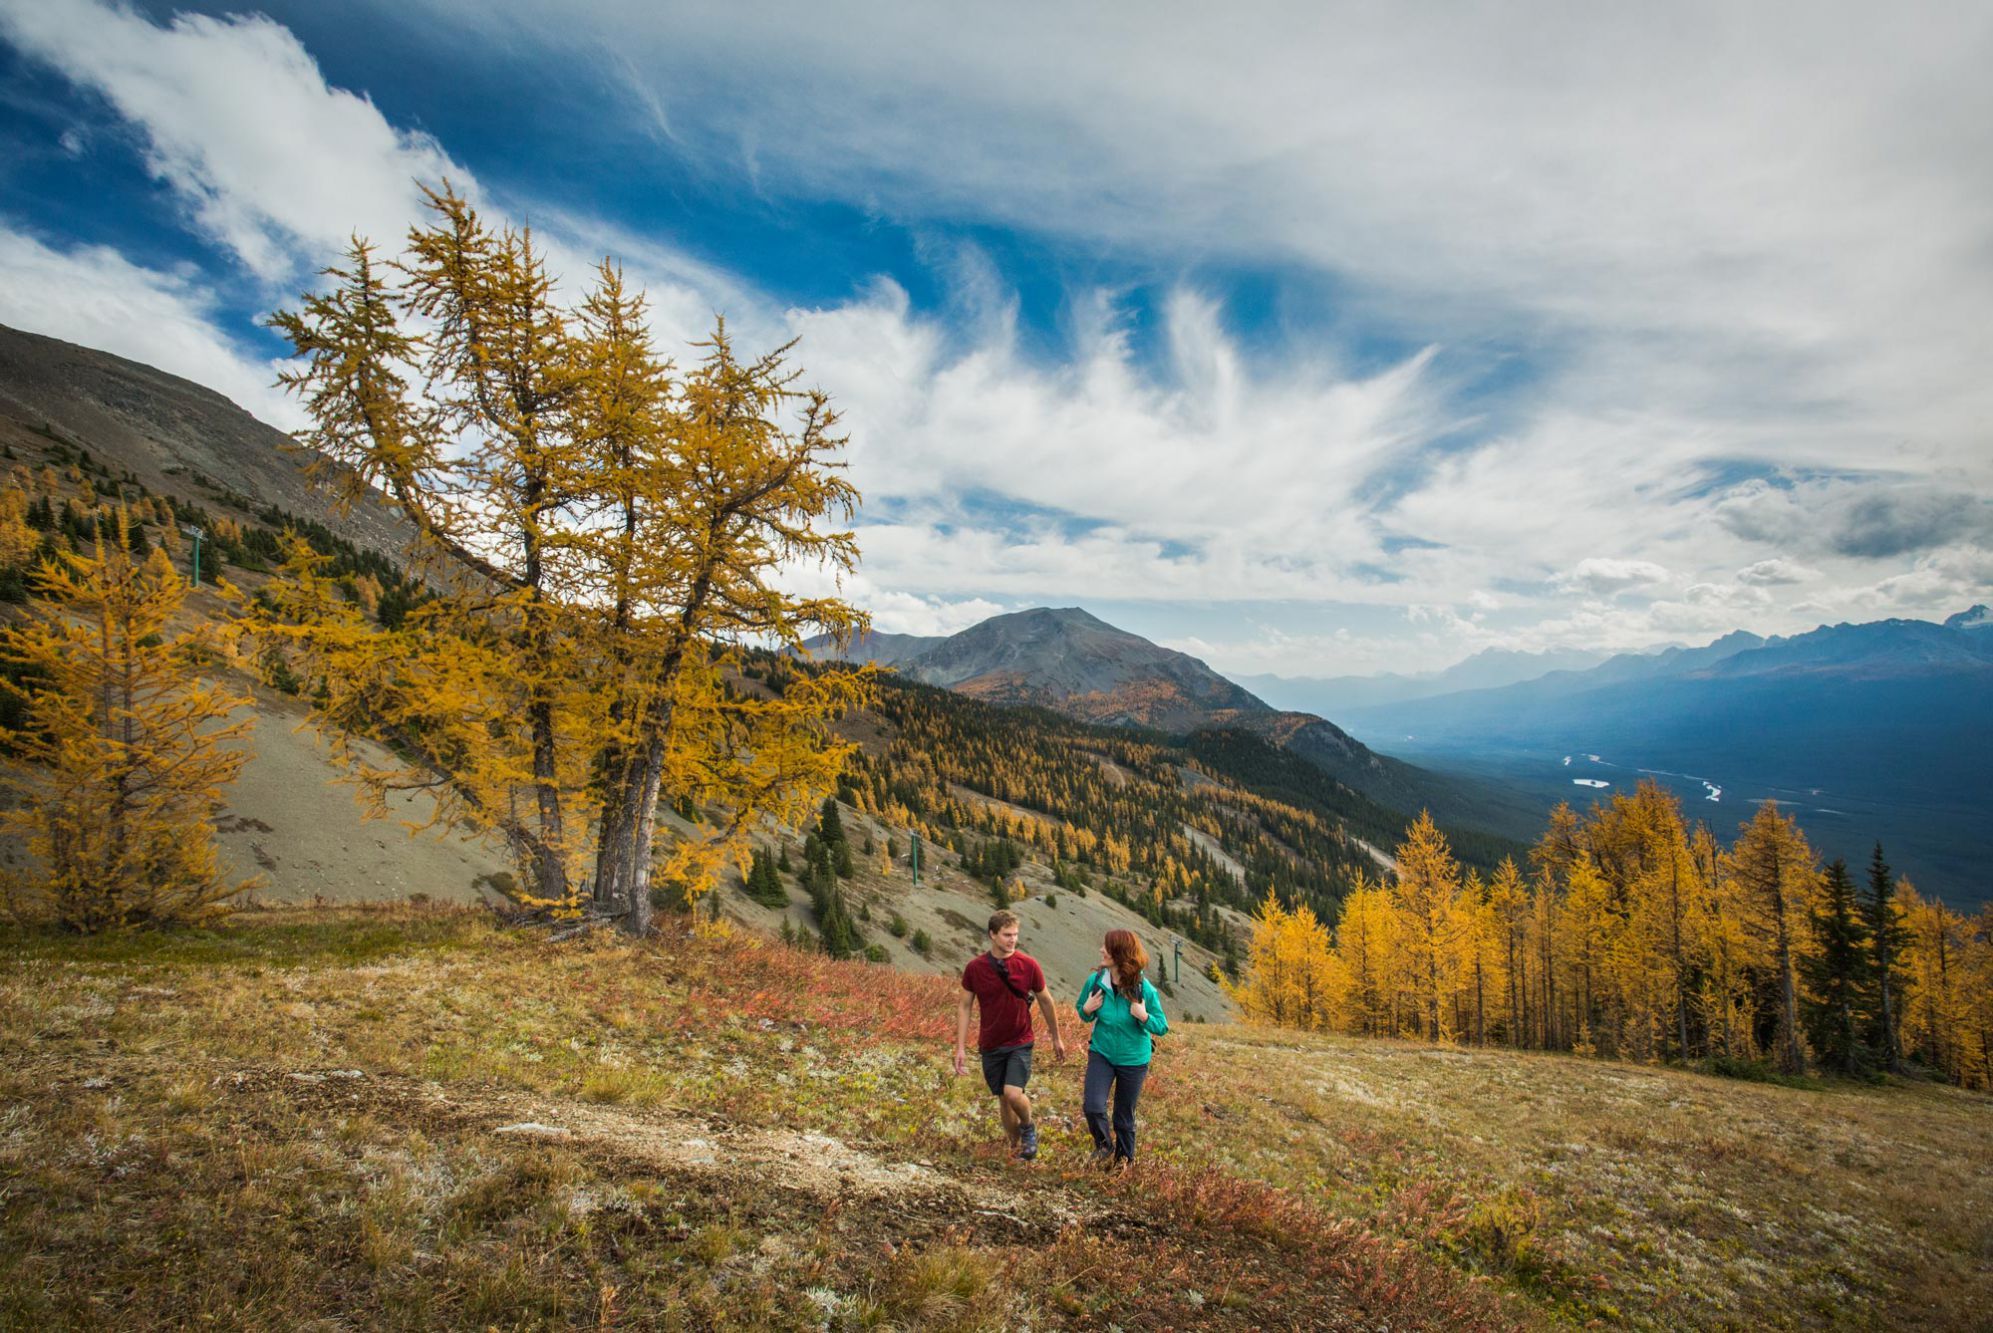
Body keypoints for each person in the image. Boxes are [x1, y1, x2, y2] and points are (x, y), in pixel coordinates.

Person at [954, 908, 1066, 1160]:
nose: (1012, 939)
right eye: (1007, 935)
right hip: (991, 1043)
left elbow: (1046, 1001)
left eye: (1015, 934)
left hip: (1020, 1041)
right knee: (1004, 1099)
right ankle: (1017, 1149)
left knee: (1013, 1093)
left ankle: (1028, 1127)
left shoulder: (1029, 965)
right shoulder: (975, 968)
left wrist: (1056, 1037)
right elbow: (964, 1006)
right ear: (992, 935)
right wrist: (960, 1047)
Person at [1076, 928, 1168, 1167]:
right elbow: (1082, 1012)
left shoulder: (1143, 988)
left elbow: (1162, 1026)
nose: (1101, 950)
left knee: (1123, 1118)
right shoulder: (1095, 982)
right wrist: (1086, 1010)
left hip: (1133, 1059)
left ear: (1119, 953)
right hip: (1102, 1053)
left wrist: (1144, 1016)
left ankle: (1123, 1163)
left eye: (1106, 947)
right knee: (1093, 1106)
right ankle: (1104, 1146)